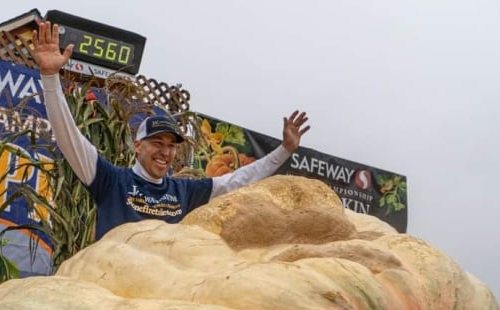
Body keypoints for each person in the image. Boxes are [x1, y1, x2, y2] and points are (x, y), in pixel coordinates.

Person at [31, 19, 311, 240]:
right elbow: (69, 138)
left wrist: (284, 150)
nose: (165, 152)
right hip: (111, 297)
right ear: (138, 146)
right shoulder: (111, 181)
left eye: (171, 145)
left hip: (159, 301)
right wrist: (50, 77)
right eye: (157, 143)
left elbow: (238, 181)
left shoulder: (184, 191)